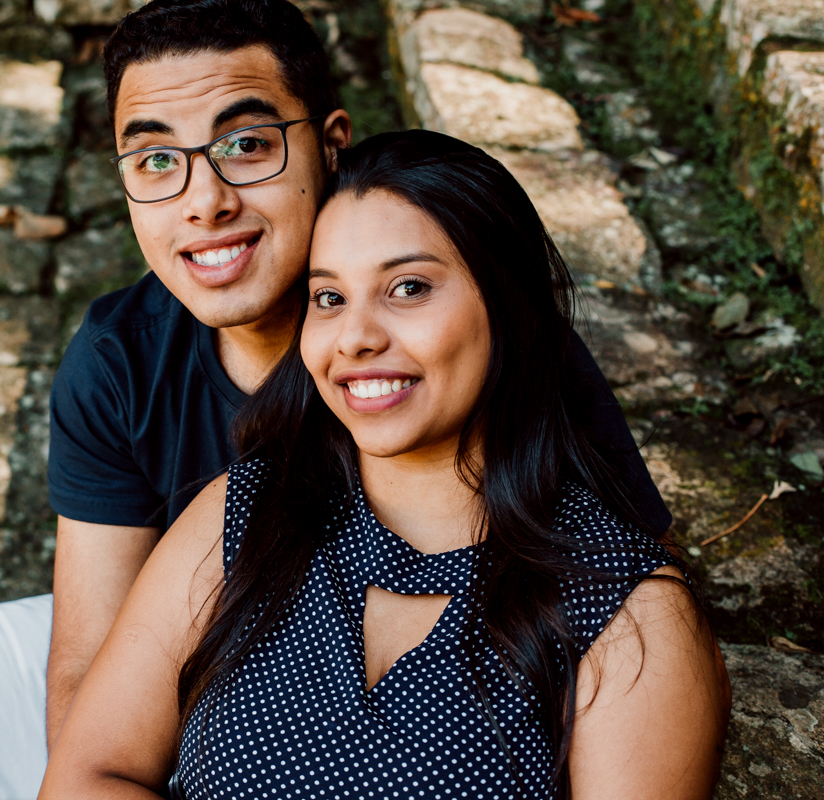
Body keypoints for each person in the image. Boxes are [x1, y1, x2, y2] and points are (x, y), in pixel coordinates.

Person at [0, 2, 677, 798]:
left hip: (422, 649)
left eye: (247, 146)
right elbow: (88, 676)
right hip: (181, 639)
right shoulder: (124, 362)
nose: (206, 202)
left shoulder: (468, 332)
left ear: (330, 144)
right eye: (156, 161)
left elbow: (608, 574)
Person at [39, 130, 730, 800]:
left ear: (509, 304)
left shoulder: (627, 613)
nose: (357, 338)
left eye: (408, 289)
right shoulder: (245, 511)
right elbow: (90, 775)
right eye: (329, 298)